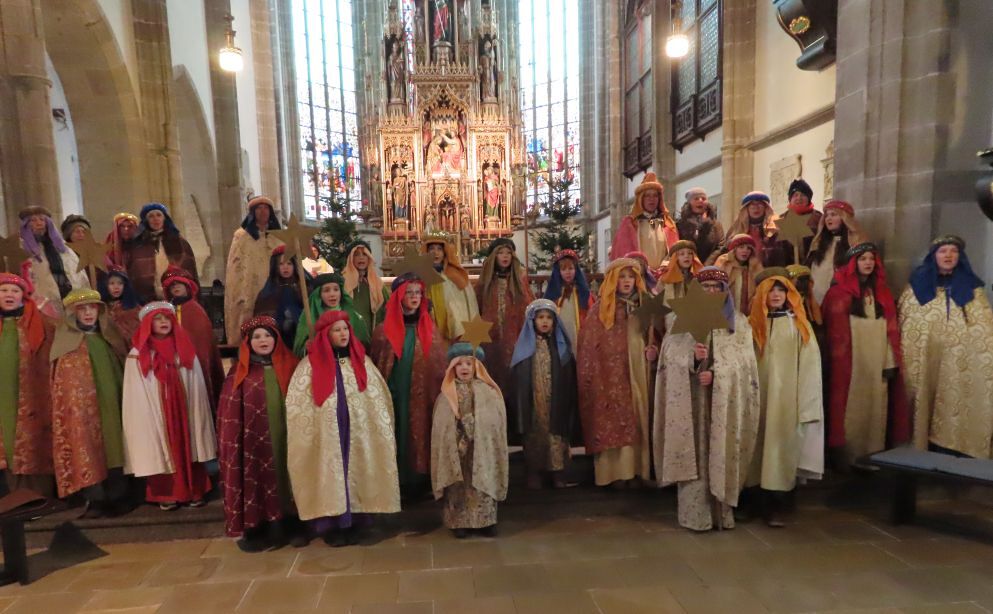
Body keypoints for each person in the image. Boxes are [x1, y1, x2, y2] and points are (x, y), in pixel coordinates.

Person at [654, 267, 760, 531]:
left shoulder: (738, 322)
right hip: (693, 401)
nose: (712, 291)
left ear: (725, 291)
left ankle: (722, 513)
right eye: (706, 287)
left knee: (721, 451)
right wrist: (691, 359)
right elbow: (668, 357)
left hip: (722, 403)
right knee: (696, 454)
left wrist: (716, 373)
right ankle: (695, 515)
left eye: (717, 287)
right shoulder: (680, 320)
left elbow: (745, 363)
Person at [286, 310, 400, 547]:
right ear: (326, 335)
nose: (343, 334)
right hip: (328, 435)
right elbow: (299, 407)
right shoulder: (309, 367)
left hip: (356, 431)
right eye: (336, 330)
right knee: (330, 471)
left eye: (345, 329)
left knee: (356, 469)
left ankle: (356, 520)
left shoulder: (362, 362)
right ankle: (332, 525)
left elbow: (376, 400)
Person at [899, 235, 993, 459]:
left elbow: (984, 331)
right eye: (943, 251)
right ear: (934, 256)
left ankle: (954, 449)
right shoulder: (916, 288)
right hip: (926, 363)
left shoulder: (973, 289)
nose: (949, 255)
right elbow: (908, 326)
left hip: (958, 367)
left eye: (953, 251)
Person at [218, 316, 304, 552]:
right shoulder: (239, 373)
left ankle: (294, 524)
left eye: (268, 335)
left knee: (290, 478)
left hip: (289, 438)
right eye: (256, 337)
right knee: (261, 477)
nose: (263, 340)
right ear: (248, 342)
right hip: (255, 442)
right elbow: (229, 416)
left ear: (277, 339)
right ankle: (266, 525)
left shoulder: (293, 366)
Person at [822, 243, 910, 471]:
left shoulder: (882, 293)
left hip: (876, 362)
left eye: (871, 259)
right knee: (850, 411)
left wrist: (889, 361)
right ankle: (849, 457)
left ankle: (873, 456)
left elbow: (891, 331)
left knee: (876, 409)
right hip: (850, 366)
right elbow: (833, 335)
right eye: (863, 259)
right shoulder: (838, 294)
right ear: (853, 264)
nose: (868, 263)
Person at [746, 269, 823, 527]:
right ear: (762, 294)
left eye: (781, 289)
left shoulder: (798, 325)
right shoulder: (750, 326)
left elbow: (810, 366)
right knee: (754, 450)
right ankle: (752, 502)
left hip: (785, 402)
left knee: (779, 451)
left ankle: (777, 505)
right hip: (756, 399)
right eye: (771, 290)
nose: (776, 295)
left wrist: (807, 403)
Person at [122, 302, 216, 510]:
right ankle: (166, 493)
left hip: (184, 409)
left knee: (189, 445)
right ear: (148, 323)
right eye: (157, 319)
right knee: (161, 447)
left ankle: (195, 490)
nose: (163, 322)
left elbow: (196, 384)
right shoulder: (138, 355)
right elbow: (135, 392)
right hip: (157, 410)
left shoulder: (184, 348)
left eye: (167, 318)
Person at [577, 258, 656, 488]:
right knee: (614, 417)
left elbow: (656, 334)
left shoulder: (645, 305)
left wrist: (654, 348)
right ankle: (615, 473)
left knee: (638, 412)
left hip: (638, 367)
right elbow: (589, 345)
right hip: (610, 373)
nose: (627, 281)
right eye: (622, 277)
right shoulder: (601, 309)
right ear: (613, 280)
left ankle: (638, 470)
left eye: (631, 276)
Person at [49, 289, 129, 517]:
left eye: (92, 308)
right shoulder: (66, 344)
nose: (87, 313)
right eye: (82, 309)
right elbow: (63, 385)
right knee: (86, 447)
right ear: (72, 313)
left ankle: (119, 495)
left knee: (115, 446)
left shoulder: (110, 338)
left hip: (112, 404)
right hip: (82, 411)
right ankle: (96, 498)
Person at [370, 273, 448, 493]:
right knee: (401, 430)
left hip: (426, 393)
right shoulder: (384, 331)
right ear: (399, 296)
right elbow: (379, 365)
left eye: (418, 293)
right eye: (409, 293)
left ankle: (423, 477)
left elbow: (438, 363)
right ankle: (401, 479)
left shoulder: (429, 328)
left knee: (424, 429)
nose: (414, 297)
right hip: (398, 392)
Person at [431, 343, 508, 538]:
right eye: (459, 364)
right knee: (458, 484)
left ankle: (485, 521)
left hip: (481, 446)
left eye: (469, 363)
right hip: (457, 448)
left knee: (483, 480)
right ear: (452, 367)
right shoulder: (446, 395)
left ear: (476, 367)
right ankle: (459, 522)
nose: (464, 368)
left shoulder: (488, 392)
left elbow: (495, 421)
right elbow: (441, 425)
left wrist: (476, 426)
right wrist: (457, 434)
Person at [510, 299, 577, 490]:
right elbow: (518, 377)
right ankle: (534, 471)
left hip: (556, 400)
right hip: (534, 402)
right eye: (540, 317)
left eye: (549, 317)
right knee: (535, 434)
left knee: (556, 434)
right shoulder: (524, 348)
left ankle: (558, 472)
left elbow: (569, 374)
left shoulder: (560, 346)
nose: (545, 321)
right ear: (533, 321)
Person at [0, 273, 55, 495]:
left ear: (23, 295)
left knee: (33, 439)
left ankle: (38, 494)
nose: (9, 295)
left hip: (32, 392)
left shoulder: (38, 323)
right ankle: (9, 494)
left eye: (15, 291)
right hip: (4, 396)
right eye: (4, 290)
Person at [476, 238, 533, 394]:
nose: (505, 256)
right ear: (494, 256)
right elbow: (477, 306)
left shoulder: (519, 279)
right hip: (490, 335)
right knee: (492, 371)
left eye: (508, 253)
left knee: (513, 373)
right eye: (501, 253)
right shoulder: (486, 280)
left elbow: (527, 305)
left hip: (514, 334)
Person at [161, 266, 225, 406]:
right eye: (172, 285)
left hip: (195, 367)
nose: (175, 287)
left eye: (178, 283)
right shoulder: (167, 313)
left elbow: (203, 345)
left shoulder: (195, 311)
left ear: (187, 286)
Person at [224, 196, 283, 344]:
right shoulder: (241, 236)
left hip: (273, 287)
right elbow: (235, 266)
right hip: (249, 287)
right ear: (252, 212)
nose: (263, 211)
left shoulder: (278, 237)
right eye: (259, 208)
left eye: (266, 208)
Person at [19, 205, 89, 317]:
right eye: (33, 220)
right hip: (45, 304)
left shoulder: (62, 247)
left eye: (42, 219)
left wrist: (86, 296)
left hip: (72, 299)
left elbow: (78, 273)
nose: (39, 223)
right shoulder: (23, 251)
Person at [125, 202, 198, 303]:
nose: (155, 219)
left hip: (176, 296)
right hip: (147, 299)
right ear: (146, 221)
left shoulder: (179, 242)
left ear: (164, 218)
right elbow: (134, 273)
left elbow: (189, 269)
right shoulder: (138, 245)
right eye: (151, 216)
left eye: (159, 215)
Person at [609, 172, 679, 273]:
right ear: (641, 199)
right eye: (647, 196)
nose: (652, 199)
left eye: (655, 195)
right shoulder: (630, 224)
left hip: (664, 275)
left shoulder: (668, 223)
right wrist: (644, 269)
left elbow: (675, 251)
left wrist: (665, 265)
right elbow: (623, 253)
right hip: (639, 274)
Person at [806, 200, 866, 304]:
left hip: (842, 301)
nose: (828, 218)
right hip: (817, 299)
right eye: (826, 215)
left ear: (844, 218)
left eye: (833, 214)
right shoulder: (818, 244)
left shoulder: (856, 244)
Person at [293, 272, 368, 356]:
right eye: (326, 290)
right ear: (318, 294)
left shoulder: (354, 316)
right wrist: (306, 347)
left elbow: (363, 344)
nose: (332, 294)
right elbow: (299, 349)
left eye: (336, 289)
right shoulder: (309, 317)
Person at [421, 233, 479, 340]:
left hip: (452, 326)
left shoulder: (456, 275)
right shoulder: (421, 275)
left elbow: (466, 304)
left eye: (439, 249)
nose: (435, 253)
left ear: (445, 252)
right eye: (431, 249)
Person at [253, 245, 303, 350]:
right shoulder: (269, 291)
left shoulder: (303, 287)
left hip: (299, 335)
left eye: (289, 263)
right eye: (281, 264)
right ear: (275, 266)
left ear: (294, 265)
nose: (285, 267)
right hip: (278, 337)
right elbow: (262, 315)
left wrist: (294, 315)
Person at [542, 249, 592, 350]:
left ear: (576, 270)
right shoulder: (553, 292)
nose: (568, 272)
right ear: (558, 271)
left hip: (577, 334)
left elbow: (590, 315)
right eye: (563, 269)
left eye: (571, 268)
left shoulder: (582, 292)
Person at [723, 192, 786, 267]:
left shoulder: (776, 228)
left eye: (760, 204)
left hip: (770, 270)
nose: (756, 207)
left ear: (766, 207)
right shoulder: (736, 229)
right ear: (746, 208)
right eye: (752, 204)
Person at [342, 240, 390, 332]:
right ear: (350, 259)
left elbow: (388, 308)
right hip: (348, 334)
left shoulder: (377, 283)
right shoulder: (342, 283)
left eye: (364, 254)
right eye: (356, 254)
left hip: (373, 333)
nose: (361, 257)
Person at [714, 234, 764, 316]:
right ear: (734, 249)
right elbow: (715, 287)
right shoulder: (724, 263)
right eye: (741, 247)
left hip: (747, 315)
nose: (745, 251)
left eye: (748, 248)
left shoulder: (755, 267)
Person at [777, 178, 822, 263]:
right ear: (790, 199)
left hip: (814, 265)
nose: (799, 198)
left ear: (809, 198)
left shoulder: (818, 218)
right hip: (787, 267)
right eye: (795, 195)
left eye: (803, 195)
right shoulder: (781, 219)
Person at [676, 187, 724, 265]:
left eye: (703, 198)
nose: (700, 200)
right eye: (696, 199)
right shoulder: (680, 225)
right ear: (689, 203)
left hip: (709, 267)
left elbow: (720, 246)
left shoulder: (716, 225)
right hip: (687, 266)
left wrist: (706, 266)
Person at [98, 265, 142, 346]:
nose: (116, 287)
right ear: (105, 285)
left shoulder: (133, 307)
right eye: (112, 283)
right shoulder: (102, 308)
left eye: (120, 283)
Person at [658, 240, 704, 305]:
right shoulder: (665, 278)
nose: (686, 256)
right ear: (674, 258)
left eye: (690, 253)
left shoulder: (697, 277)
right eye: (682, 254)